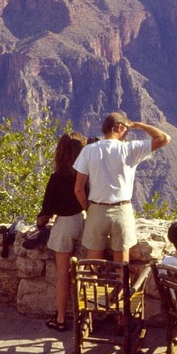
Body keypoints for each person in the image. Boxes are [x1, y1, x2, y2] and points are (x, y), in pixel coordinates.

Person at [73, 111, 170, 264]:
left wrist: (88, 209)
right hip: (121, 211)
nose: (127, 133)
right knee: (121, 268)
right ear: (118, 127)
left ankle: (92, 286)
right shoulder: (130, 149)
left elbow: (78, 189)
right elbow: (164, 138)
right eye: (126, 129)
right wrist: (138, 125)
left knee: (92, 266)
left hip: (96, 210)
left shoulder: (88, 150)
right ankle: (120, 288)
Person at [36, 131, 88, 332]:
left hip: (64, 226)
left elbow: (46, 212)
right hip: (82, 223)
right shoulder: (84, 176)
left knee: (63, 276)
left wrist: (40, 224)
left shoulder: (57, 178)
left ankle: (60, 319)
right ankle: (84, 316)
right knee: (84, 273)